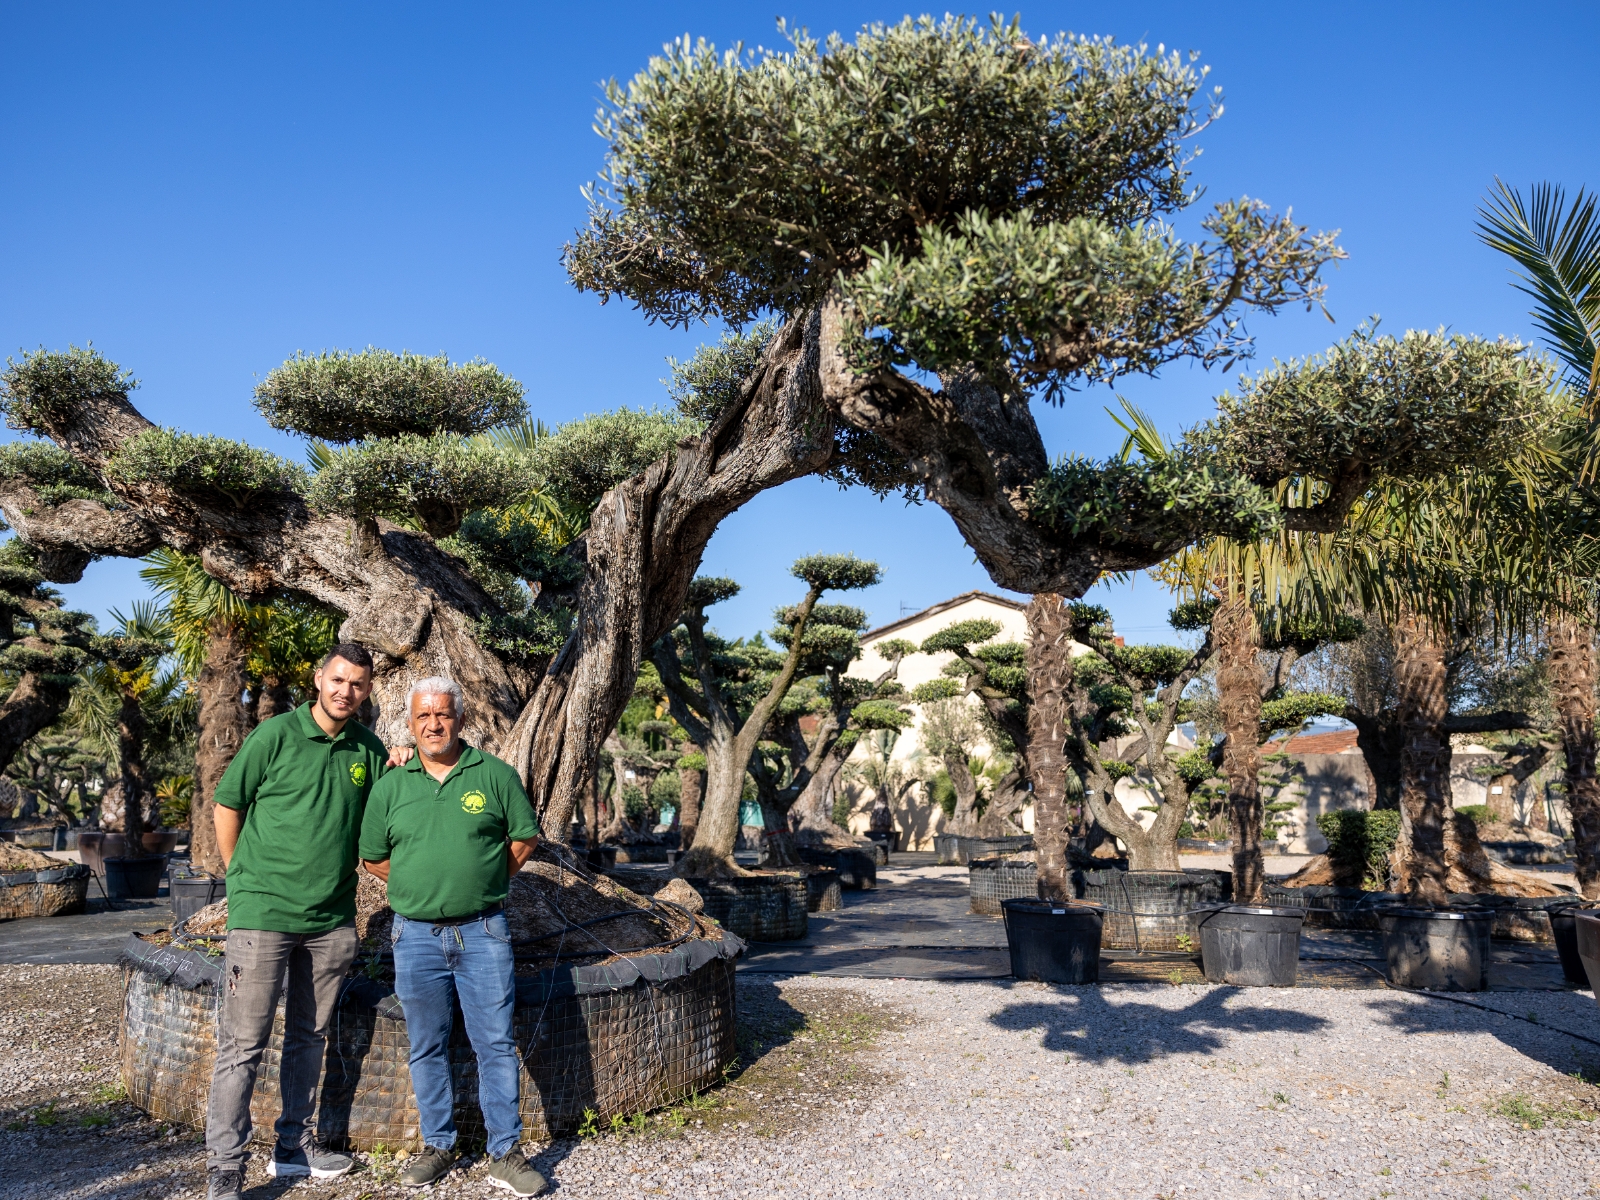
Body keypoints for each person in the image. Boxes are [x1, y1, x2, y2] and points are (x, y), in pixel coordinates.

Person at [205, 643, 398, 1200]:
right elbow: (227, 803)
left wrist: (401, 760)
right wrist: (237, 874)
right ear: (319, 679)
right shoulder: (274, 736)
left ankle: (292, 1145)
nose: (346, 692)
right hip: (263, 914)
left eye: (358, 684)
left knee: (309, 1037)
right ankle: (225, 1166)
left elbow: (378, 818)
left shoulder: (367, 746)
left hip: (332, 920)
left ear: (367, 691)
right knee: (243, 1043)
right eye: (338, 680)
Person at [359, 676, 547, 1196]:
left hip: (484, 933)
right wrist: (418, 886)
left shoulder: (494, 776)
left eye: (442, 714)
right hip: (414, 937)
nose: (433, 723)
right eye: (423, 716)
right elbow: (373, 857)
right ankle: (439, 1145)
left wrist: (485, 881)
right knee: (427, 1045)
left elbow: (524, 838)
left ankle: (505, 1152)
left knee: (495, 1043)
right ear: (411, 723)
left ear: (460, 719)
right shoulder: (391, 785)